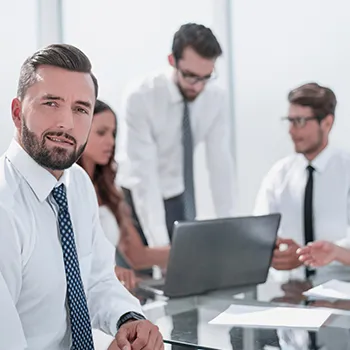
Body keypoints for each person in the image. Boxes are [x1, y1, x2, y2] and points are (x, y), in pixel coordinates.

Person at [0, 44, 163, 350]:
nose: (66, 123)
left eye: (80, 108)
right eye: (51, 103)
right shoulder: (4, 208)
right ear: (17, 112)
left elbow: (97, 278)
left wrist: (129, 320)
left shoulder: (78, 185)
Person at [117, 22, 236, 250]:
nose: (198, 86)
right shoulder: (141, 96)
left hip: (176, 195)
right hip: (134, 198)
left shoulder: (215, 98)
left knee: (184, 272)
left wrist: (228, 229)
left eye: (206, 77)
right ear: (173, 61)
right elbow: (145, 177)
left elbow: (220, 164)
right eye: (191, 76)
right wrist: (161, 249)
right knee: (139, 277)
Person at [254, 82, 350, 280]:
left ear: (327, 123)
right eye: (289, 121)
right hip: (289, 291)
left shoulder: (346, 170)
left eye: (300, 121)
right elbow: (257, 232)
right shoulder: (279, 174)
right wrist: (271, 251)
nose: (291, 130)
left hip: (340, 291)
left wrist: (337, 252)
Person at [78, 100, 169, 285]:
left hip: (110, 291)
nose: (111, 142)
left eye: (113, 133)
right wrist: (109, 273)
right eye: (101, 133)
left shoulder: (109, 191)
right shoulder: (65, 189)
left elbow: (137, 255)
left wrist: (192, 251)